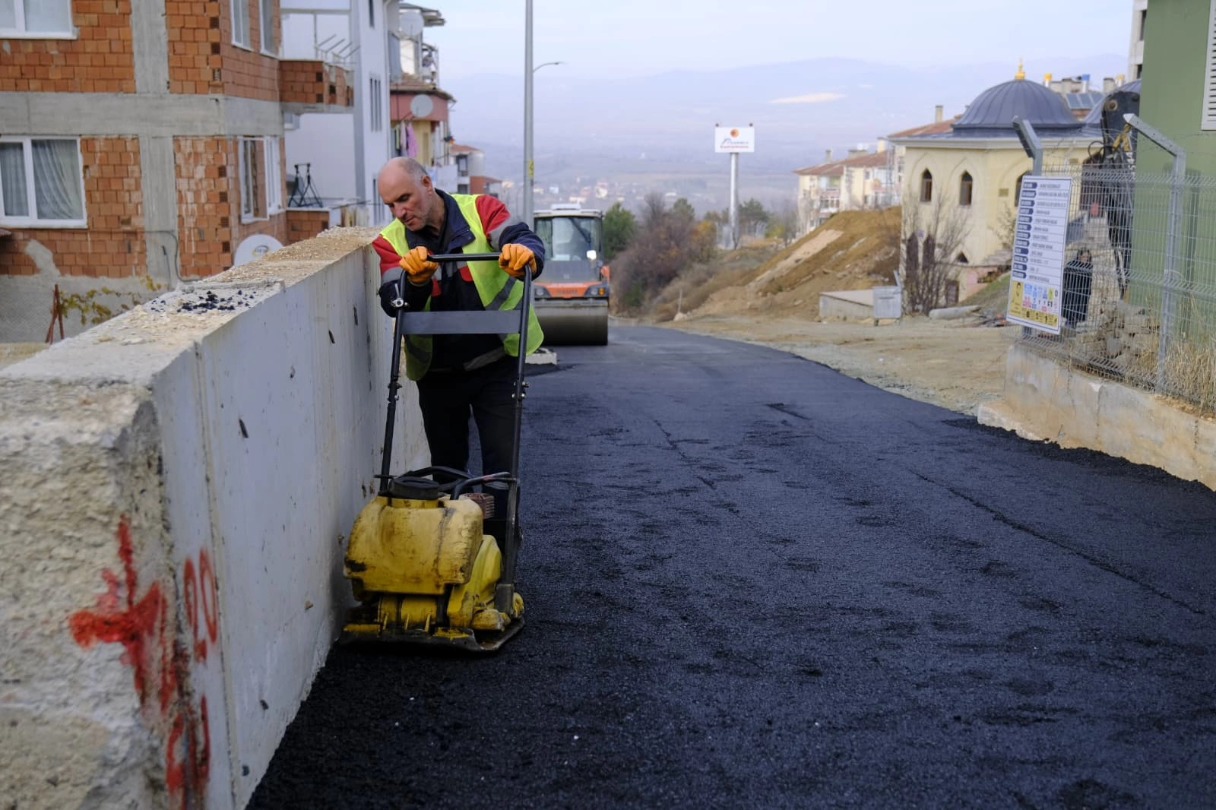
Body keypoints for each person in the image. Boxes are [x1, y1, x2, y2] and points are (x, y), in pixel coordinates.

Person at [372, 157, 545, 492]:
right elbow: (392, 298)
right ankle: (456, 539)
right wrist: (417, 283)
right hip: (438, 376)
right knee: (447, 475)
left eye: (404, 199)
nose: (399, 213)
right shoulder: (390, 241)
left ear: (426, 183)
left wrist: (524, 253)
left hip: (497, 364)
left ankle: (500, 536)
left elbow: (522, 237)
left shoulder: (481, 210)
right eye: (390, 205)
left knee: (500, 473)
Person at [1061, 248, 1094, 329]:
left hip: (1083, 294)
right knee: (1071, 313)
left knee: (1078, 314)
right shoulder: (1072, 264)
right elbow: (1065, 275)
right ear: (1079, 256)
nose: (1085, 259)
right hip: (1072, 294)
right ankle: (1067, 329)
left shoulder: (1089, 267)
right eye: (1084, 257)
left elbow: (1089, 281)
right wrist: (1067, 286)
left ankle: (1072, 329)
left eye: (1087, 257)